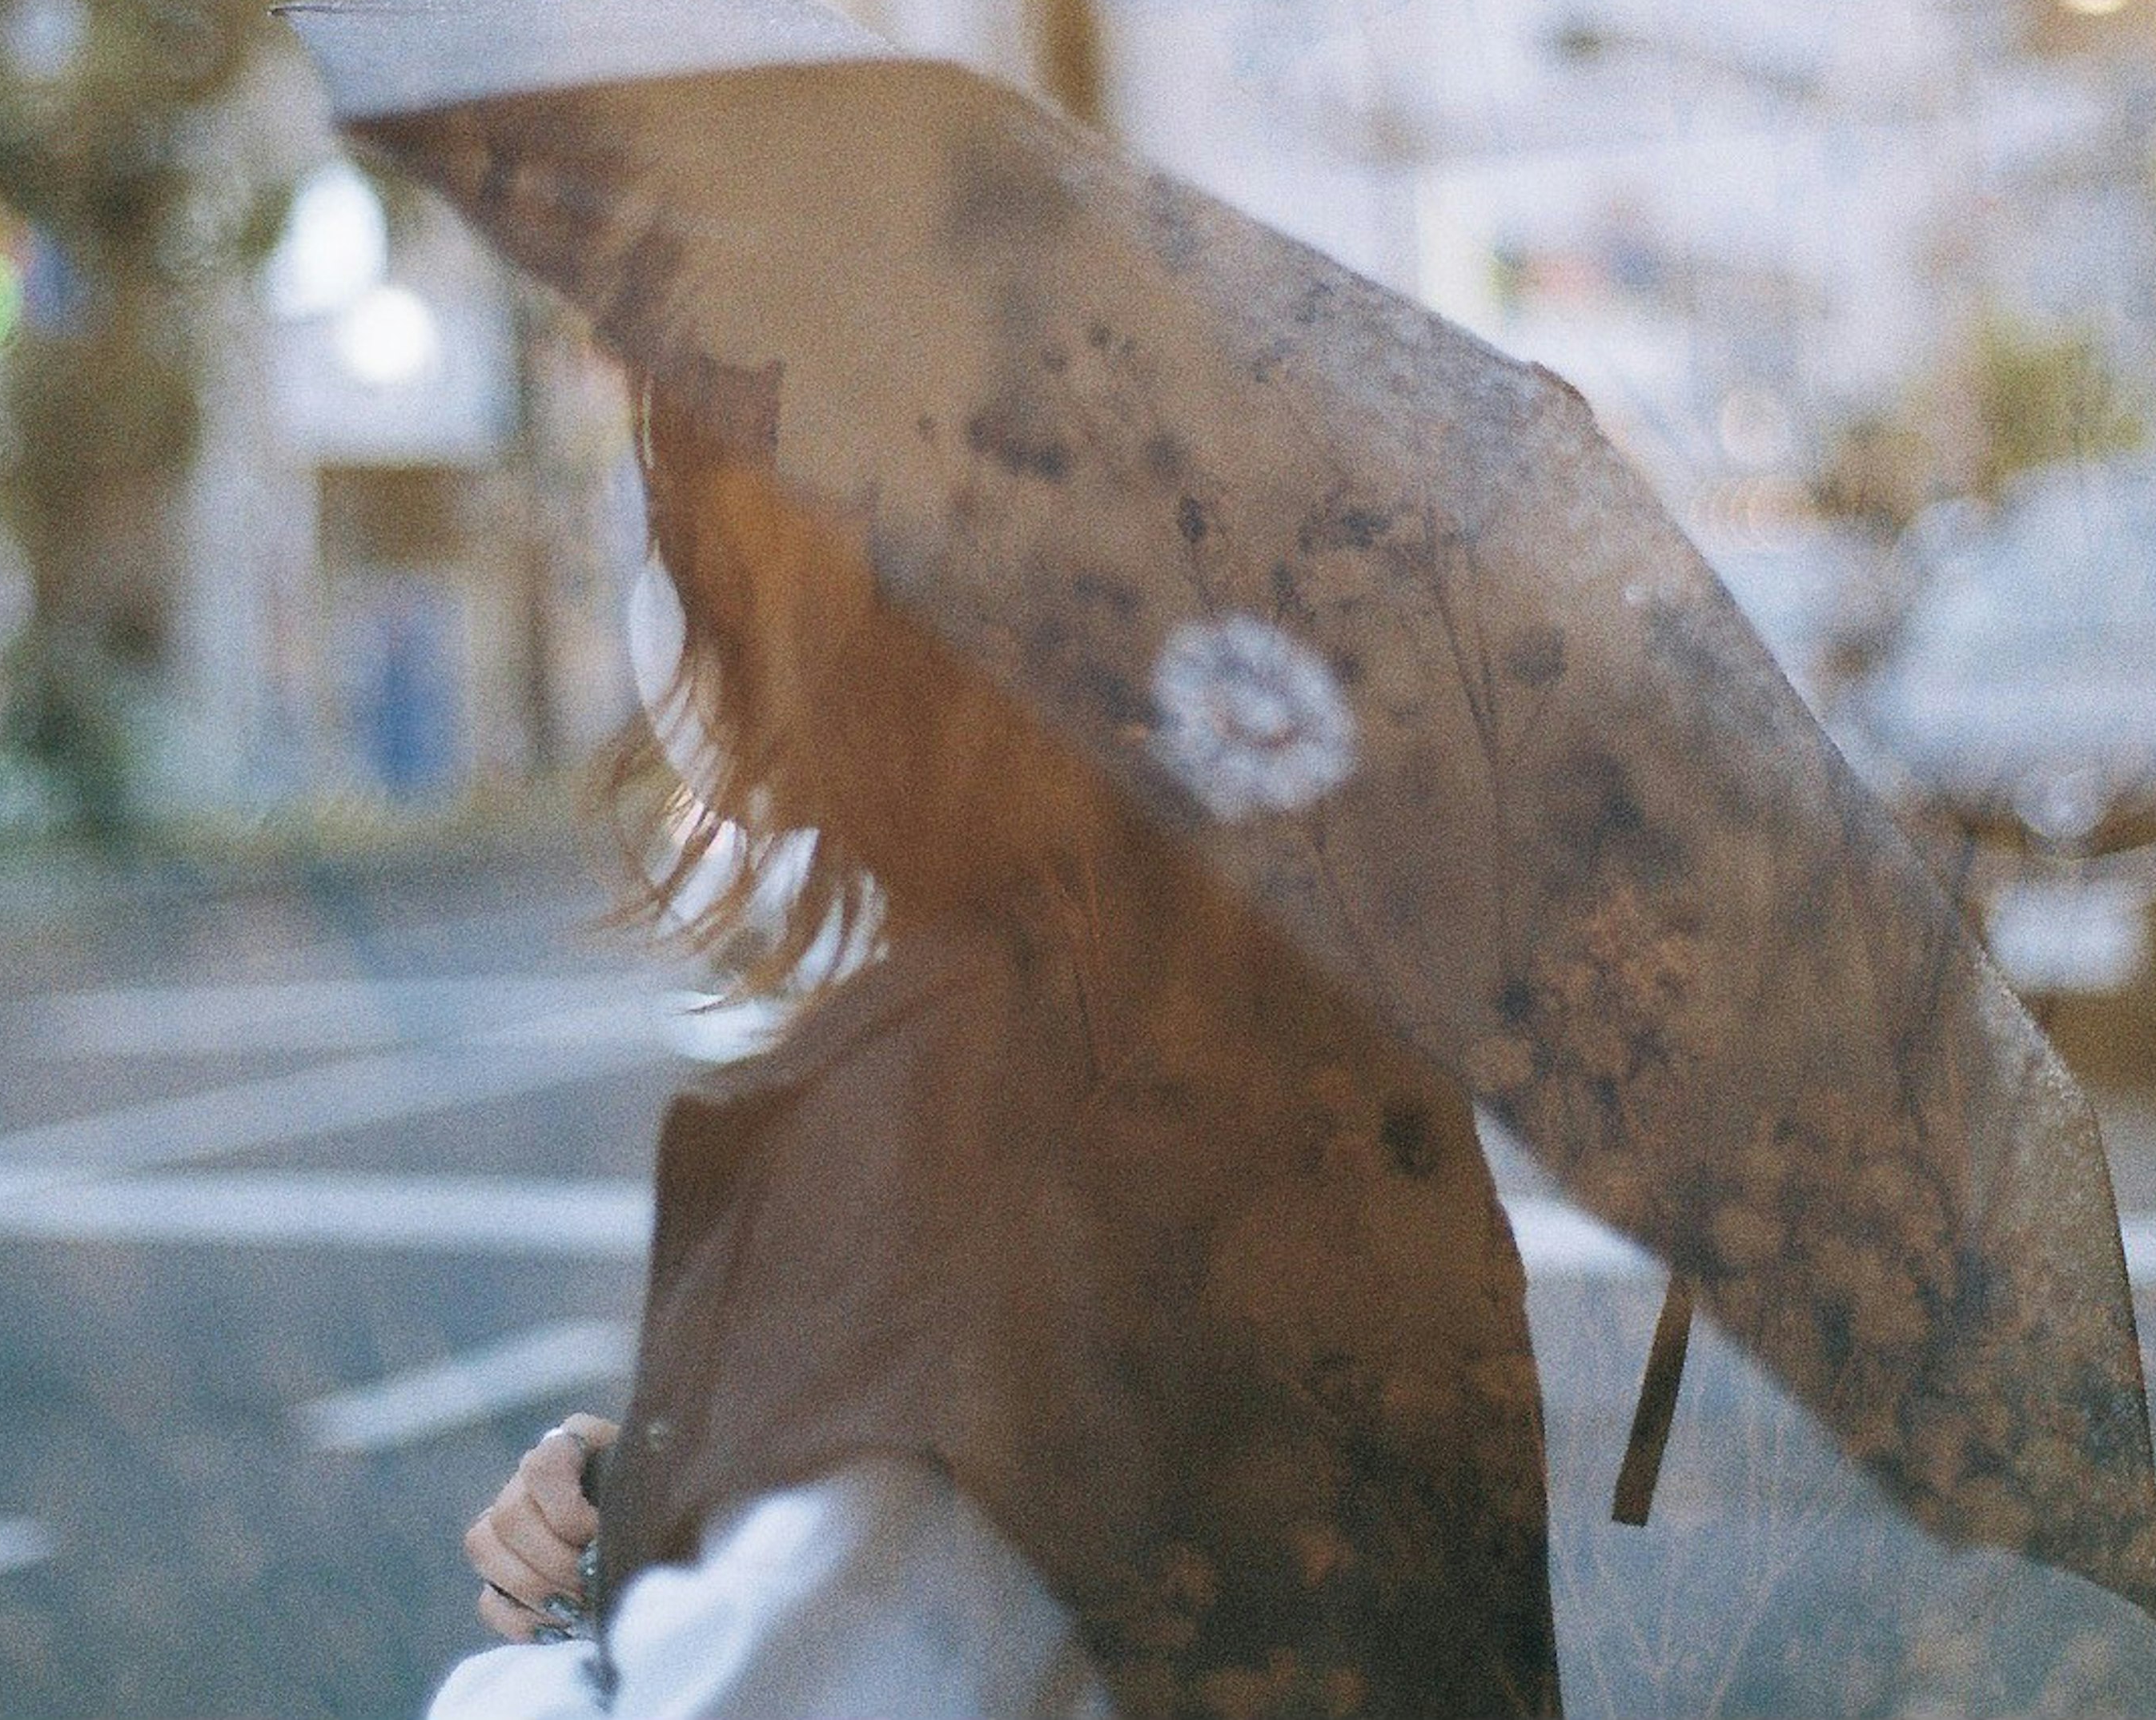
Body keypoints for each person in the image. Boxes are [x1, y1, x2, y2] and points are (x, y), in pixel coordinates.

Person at [422, 367, 1560, 1720]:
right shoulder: (1273, 999)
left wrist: (525, 1684)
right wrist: (688, 1490)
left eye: (672, 524)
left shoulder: (970, 1101)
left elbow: (800, 1668)